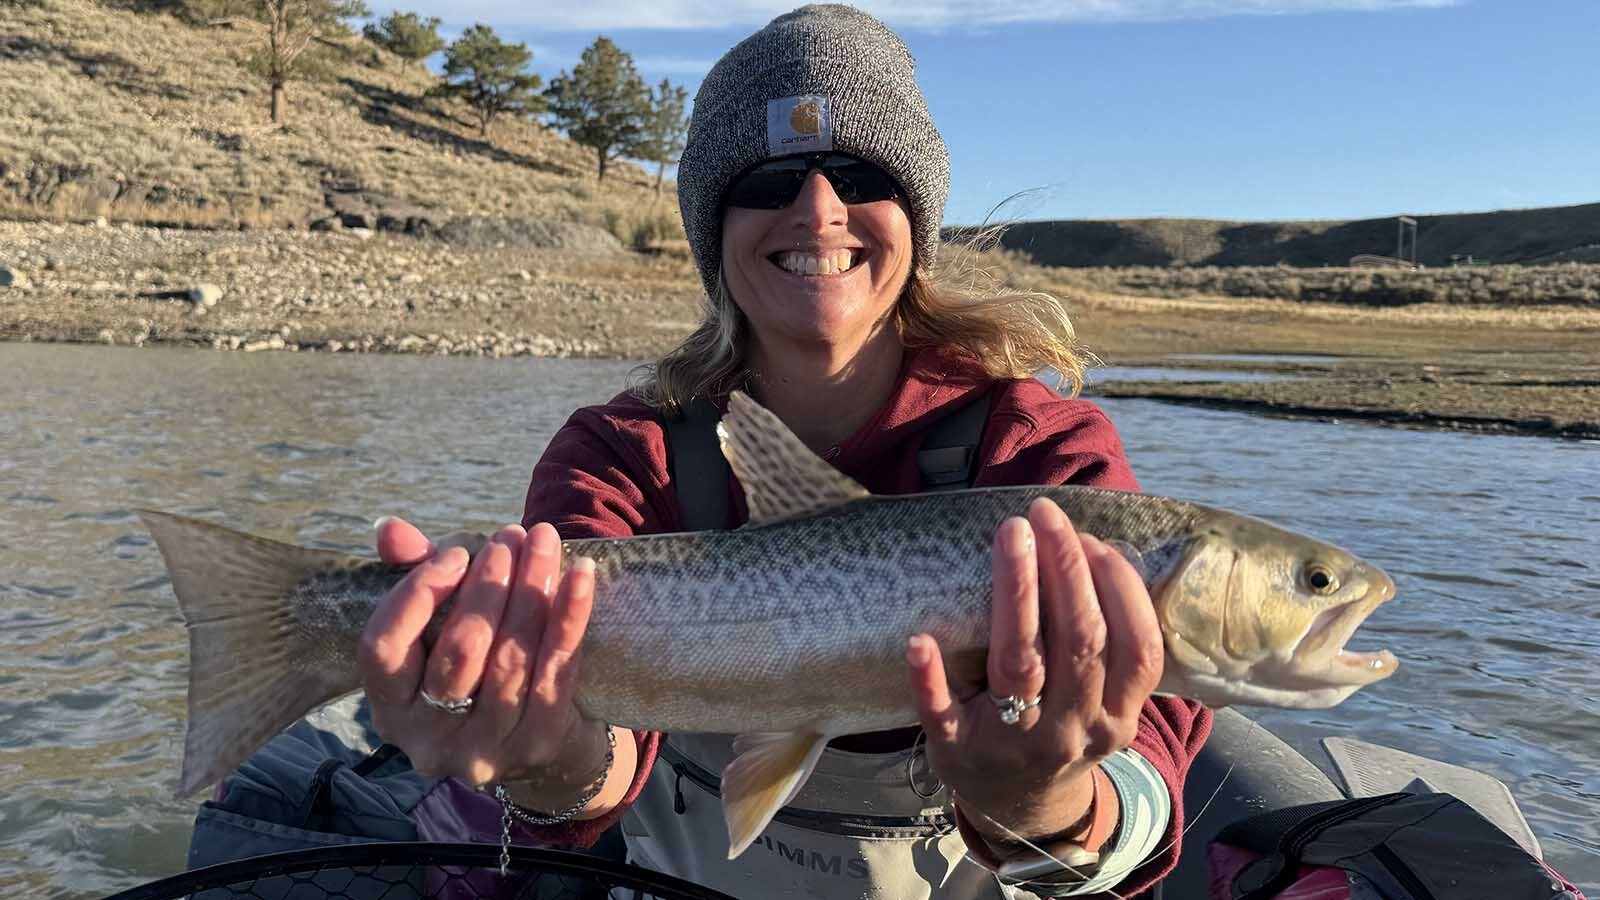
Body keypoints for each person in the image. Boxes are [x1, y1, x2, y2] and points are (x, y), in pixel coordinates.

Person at [356, 5, 1210, 897]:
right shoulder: (621, 453)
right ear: (713, 232)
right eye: (768, 182)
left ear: (915, 221)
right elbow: (593, 773)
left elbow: (1149, 761)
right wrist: (553, 763)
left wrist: (1045, 802)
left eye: (857, 173)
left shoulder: (1039, 452)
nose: (817, 210)